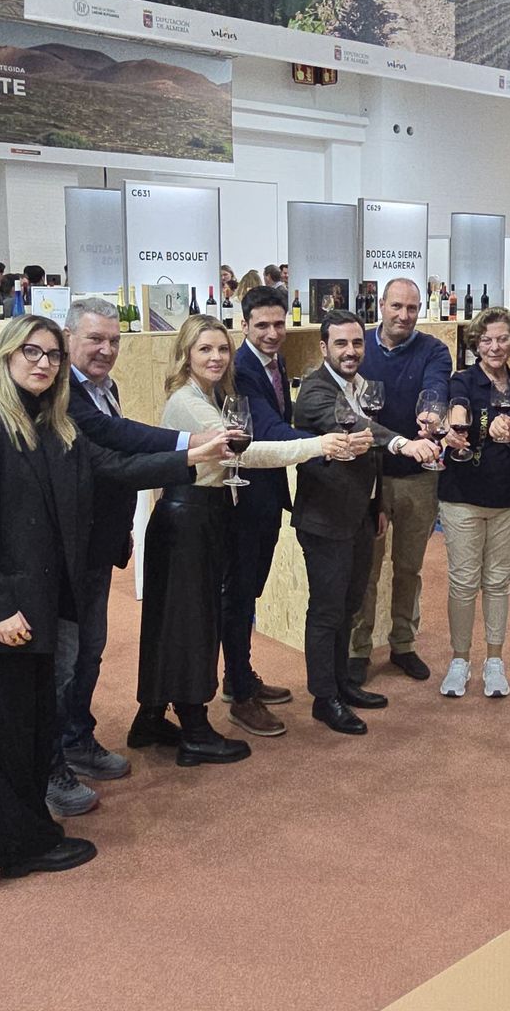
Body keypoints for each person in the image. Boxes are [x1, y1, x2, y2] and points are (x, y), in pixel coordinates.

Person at [0, 315, 227, 878]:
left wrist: (189, 459)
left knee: (31, 728)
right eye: (31, 352)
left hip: (39, 607)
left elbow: (112, 466)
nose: (43, 363)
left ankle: (31, 835)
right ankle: (16, 848)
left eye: (50, 355)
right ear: (5, 356)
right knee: (0, 739)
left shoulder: (51, 425)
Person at [135, 315, 351, 764]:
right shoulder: (189, 402)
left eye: (221, 349)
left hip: (200, 514)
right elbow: (242, 451)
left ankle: (151, 718)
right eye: (204, 350)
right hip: (188, 516)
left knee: (177, 621)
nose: (215, 357)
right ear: (186, 355)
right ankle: (194, 729)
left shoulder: (212, 395)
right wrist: (318, 444)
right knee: (192, 625)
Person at [44, 297, 197, 817]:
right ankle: (54, 759)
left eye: (113, 340)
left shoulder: (104, 388)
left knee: (90, 650)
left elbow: (115, 460)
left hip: (97, 542)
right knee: (65, 660)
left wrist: (119, 532)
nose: (106, 349)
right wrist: (188, 448)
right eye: (95, 339)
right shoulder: (63, 393)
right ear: (68, 340)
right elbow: (112, 450)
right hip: (65, 551)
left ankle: (77, 737)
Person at [294, 312, 433, 734]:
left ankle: (341, 686)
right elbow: (360, 428)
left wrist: (376, 508)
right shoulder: (315, 391)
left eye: (357, 343)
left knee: (348, 606)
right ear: (324, 348)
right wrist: (402, 443)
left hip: (357, 516)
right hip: (324, 519)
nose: (351, 351)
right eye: (341, 344)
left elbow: (366, 453)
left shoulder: (362, 387)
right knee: (326, 611)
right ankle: (324, 699)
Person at [221, 285, 313, 737]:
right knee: (238, 595)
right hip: (243, 498)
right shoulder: (241, 369)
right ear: (245, 325)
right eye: (263, 325)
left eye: (279, 323)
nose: (273, 333)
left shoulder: (275, 362)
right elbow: (270, 430)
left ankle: (239, 675)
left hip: (267, 495)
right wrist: (323, 441)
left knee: (248, 590)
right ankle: (240, 694)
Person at [352, 278, 451, 684]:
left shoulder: (434, 350)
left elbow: (437, 387)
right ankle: (358, 650)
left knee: (409, 567)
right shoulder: (358, 347)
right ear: (381, 305)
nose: (404, 315)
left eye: (411, 308)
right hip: (368, 476)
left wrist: (433, 413)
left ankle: (403, 644)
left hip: (416, 479)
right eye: (396, 306)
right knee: (367, 570)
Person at [436, 308, 510, 698]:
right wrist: (458, 423)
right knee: (463, 582)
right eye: (487, 340)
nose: (495, 347)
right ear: (475, 343)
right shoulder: (463, 379)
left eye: (503, 339)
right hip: (461, 496)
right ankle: (460, 660)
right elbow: (457, 403)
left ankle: (495, 661)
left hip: (508, 495)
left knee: (498, 582)